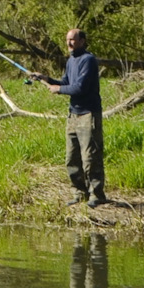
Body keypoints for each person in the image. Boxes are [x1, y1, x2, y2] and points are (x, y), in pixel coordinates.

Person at [35, 27, 106, 207]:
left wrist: (58, 90)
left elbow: (79, 87)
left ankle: (97, 195)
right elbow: (66, 83)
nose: (69, 43)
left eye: (73, 40)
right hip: (73, 115)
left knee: (90, 158)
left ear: (82, 41)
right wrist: (46, 78)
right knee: (71, 159)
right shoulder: (70, 61)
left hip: (88, 114)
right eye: (67, 40)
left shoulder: (88, 60)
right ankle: (79, 192)